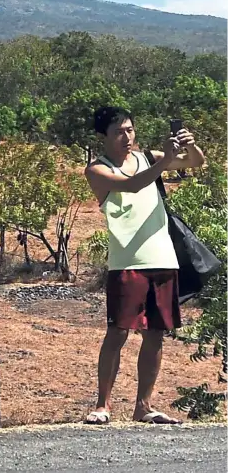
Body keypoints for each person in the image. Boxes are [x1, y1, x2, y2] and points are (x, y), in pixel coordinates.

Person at [84, 106, 205, 425]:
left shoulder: (148, 158)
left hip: (162, 258)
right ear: (104, 137)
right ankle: (102, 405)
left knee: (155, 334)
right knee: (117, 332)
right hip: (126, 263)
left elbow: (196, 162)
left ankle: (144, 406)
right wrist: (165, 160)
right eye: (118, 132)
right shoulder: (97, 170)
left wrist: (188, 145)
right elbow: (133, 185)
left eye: (130, 130)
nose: (127, 137)